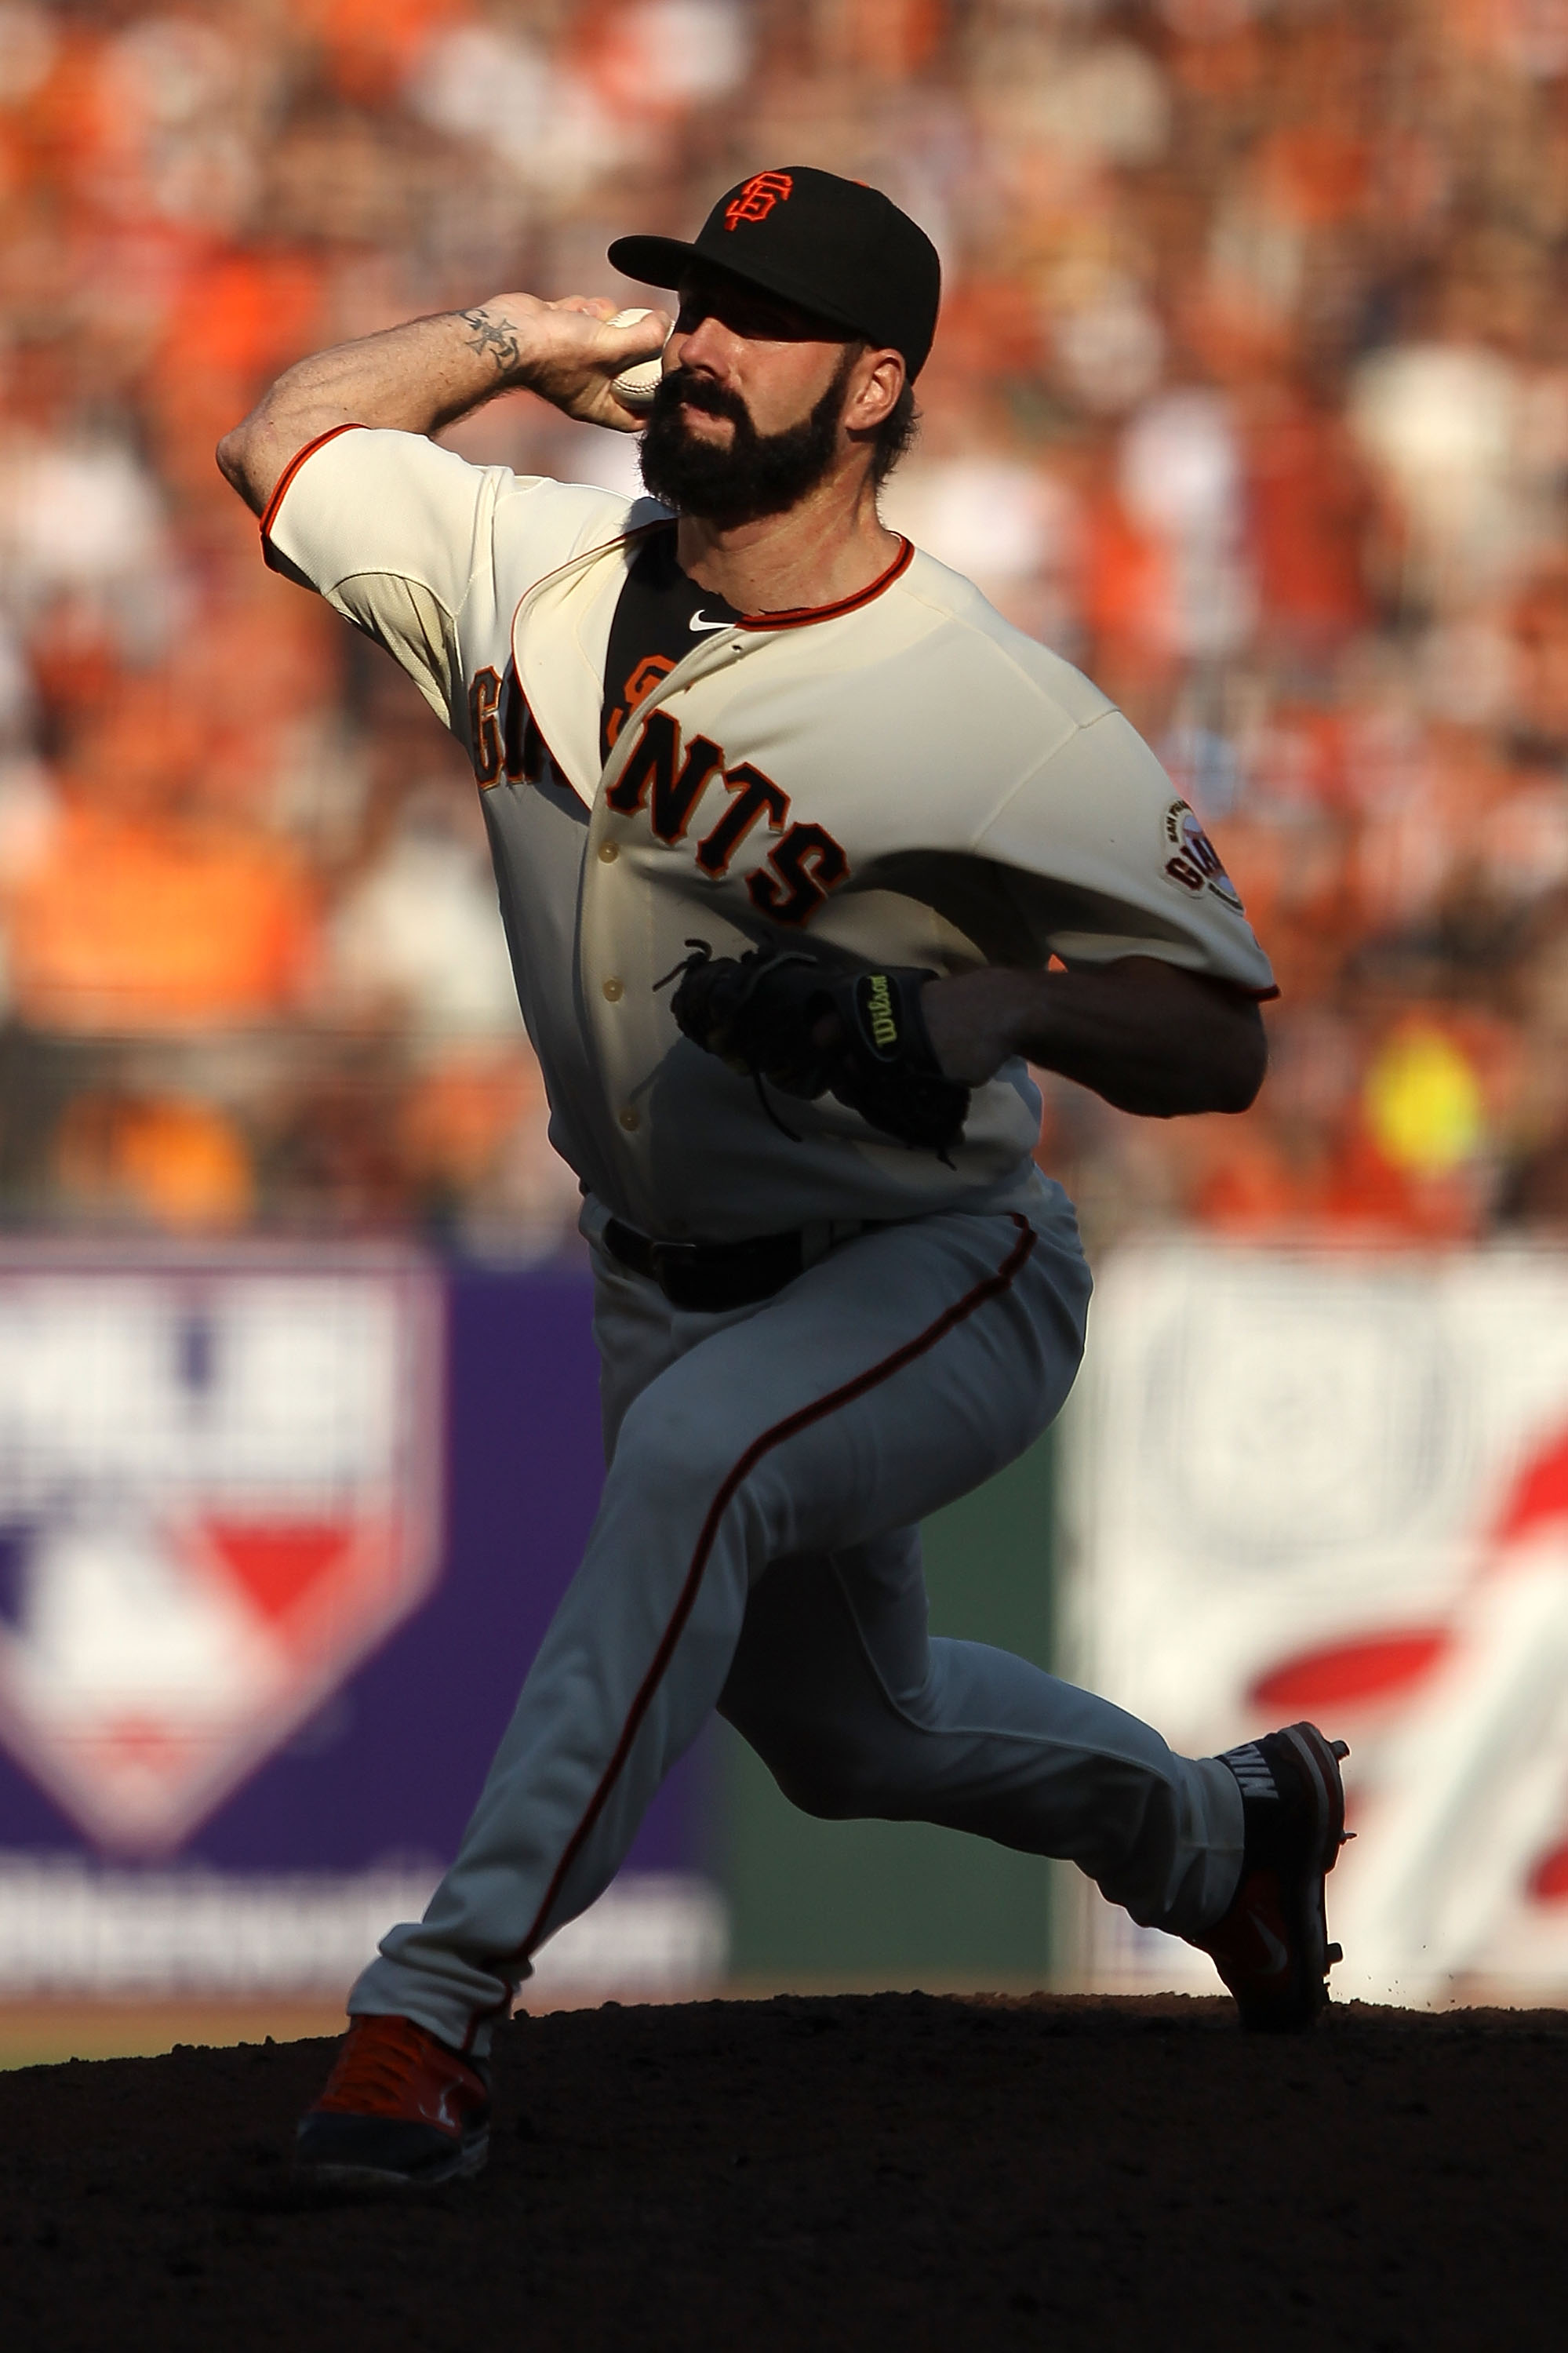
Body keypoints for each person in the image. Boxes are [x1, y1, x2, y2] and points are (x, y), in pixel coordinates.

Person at [217, 167, 1348, 2191]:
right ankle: (1226, 1838)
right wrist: (499, 337)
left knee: (703, 1469)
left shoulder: (991, 716)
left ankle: (431, 2015)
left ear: (876, 383)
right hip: (662, 1274)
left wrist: (1001, 1008)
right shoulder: (525, 562)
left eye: (758, 317)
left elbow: (1221, 1033)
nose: (701, 343)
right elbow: (275, 441)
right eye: (690, 300)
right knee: (852, 1741)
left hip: (935, 1265)